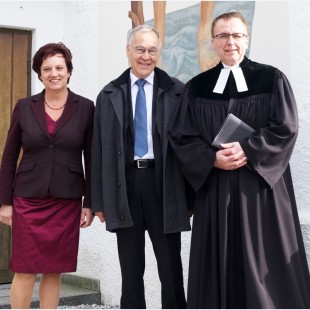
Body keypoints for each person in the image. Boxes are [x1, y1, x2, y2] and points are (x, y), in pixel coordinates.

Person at [168, 11, 310, 309]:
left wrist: (250, 149)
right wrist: (211, 159)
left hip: (260, 193)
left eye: (236, 35)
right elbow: (182, 137)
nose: (230, 42)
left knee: (263, 262)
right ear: (213, 42)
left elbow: (286, 127)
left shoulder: (271, 79)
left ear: (247, 39)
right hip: (217, 191)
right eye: (223, 36)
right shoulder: (197, 87)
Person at [91, 24, 192, 309]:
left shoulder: (178, 92)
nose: (146, 56)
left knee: (171, 269)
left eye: (152, 50)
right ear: (128, 51)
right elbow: (98, 150)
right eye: (140, 49)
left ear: (159, 53)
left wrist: (190, 196)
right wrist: (99, 199)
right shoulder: (109, 94)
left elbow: (189, 147)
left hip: (165, 185)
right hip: (126, 187)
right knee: (131, 270)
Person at [0, 42, 94, 308]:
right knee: (25, 268)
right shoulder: (24, 106)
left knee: (54, 269)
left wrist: (89, 202)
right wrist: (5, 202)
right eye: (47, 68)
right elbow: (8, 157)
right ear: (39, 74)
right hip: (28, 198)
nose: (54, 73)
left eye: (59, 67)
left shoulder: (86, 108)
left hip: (66, 200)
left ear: (69, 71)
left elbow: (92, 158)